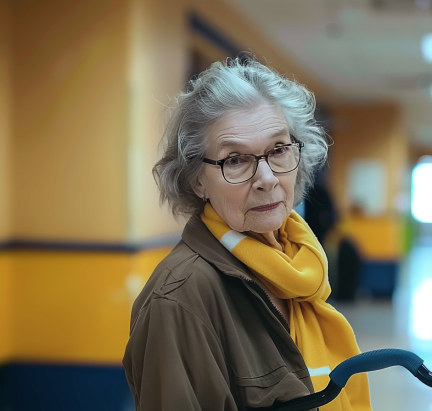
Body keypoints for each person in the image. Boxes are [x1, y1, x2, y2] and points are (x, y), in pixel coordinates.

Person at [122, 56, 372, 411]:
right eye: (235, 160)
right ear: (196, 179)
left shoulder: (297, 265)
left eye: (279, 150)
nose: (267, 178)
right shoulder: (180, 300)